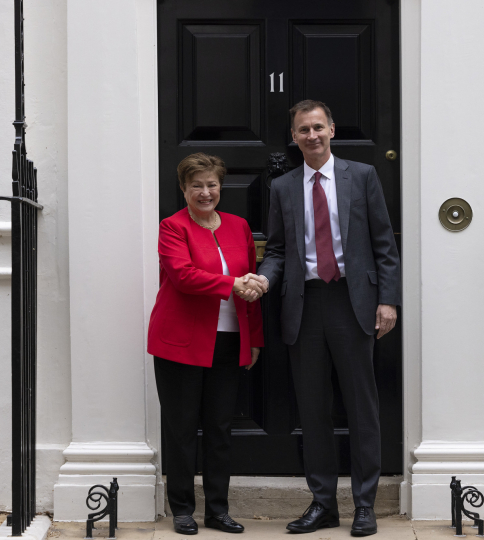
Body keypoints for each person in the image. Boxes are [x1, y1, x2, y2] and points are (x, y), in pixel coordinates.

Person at [247, 100, 401, 537]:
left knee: (362, 407)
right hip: (305, 304)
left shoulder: (363, 176)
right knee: (313, 409)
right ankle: (323, 504)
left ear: (332, 129)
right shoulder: (284, 187)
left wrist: (387, 300)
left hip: (353, 303)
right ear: (293, 137)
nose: (311, 136)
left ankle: (365, 505)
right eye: (302, 130)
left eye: (318, 127)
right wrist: (263, 280)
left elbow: (384, 244)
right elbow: (276, 249)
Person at [147, 153, 265, 535]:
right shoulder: (172, 226)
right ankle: (182, 508)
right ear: (183, 189)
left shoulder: (239, 226)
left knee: (219, 430)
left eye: (211, 184)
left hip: (230, 341)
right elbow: (182, 276)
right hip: (180, 342)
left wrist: (255, 340)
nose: (205, 192)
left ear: (221, 186)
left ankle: (217, 510)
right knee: (182, 429)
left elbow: (252, 286)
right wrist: (232, 283)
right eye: (196, 185)